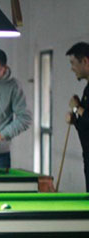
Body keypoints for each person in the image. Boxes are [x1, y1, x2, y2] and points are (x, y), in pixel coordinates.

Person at [66, 42, 89, 191]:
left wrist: (76, 108)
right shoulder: (87, 89)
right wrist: (75, 120)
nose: (72, 68)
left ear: (85, 61)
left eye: (73, 63)